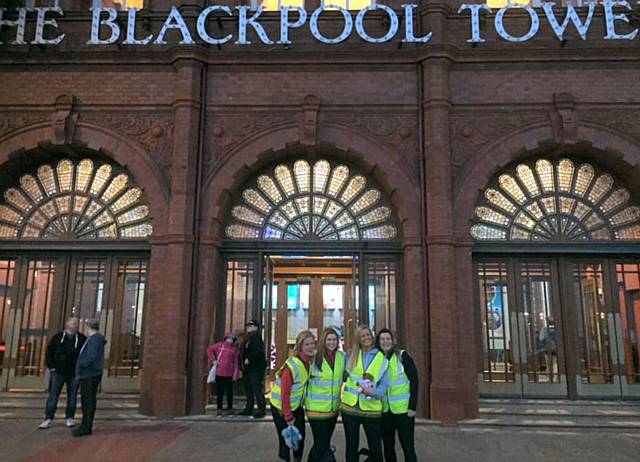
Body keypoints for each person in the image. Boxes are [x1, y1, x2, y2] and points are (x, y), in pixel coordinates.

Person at [341, 325, 388, 462]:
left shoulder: (381, 358)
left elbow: (384, 385)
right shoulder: (351, 356)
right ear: (358, 339)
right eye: (363, 336)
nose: (366, 338)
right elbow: (343, 377)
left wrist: (373, 392)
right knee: (351, 447)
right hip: (349, 409)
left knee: (376, 450)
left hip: (371, 410)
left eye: (368, 335)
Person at [270, 330, 316, 462]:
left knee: (299, 438)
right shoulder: (292, 365)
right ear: (300, 346)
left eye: (312, 343)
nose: (310, 346)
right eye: (307, 344)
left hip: (296, 406)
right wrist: (288, 416)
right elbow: (285, 393)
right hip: (280, 407)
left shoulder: (309, 363)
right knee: (285, 440)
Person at [376, 329, 419, 462]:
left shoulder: (402, 356)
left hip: (404, 412)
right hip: (385, 411)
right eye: (382, 339)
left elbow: (414, 381)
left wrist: (412, 407)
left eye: (388, 339)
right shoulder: (376, 359)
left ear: (393, 341)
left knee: (408, 447)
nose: (385, 342)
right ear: (378, 342)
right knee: (388, 447)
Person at [38, 317, 86, 429]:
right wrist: (52, 367)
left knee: (72, 396)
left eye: (76, 324)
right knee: (53, 395)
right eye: (73, 323)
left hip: (74, 372)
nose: (75, 326)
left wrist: (80, 368)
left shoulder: (81, 338)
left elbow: (84, 353)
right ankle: (48, 418)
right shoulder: (58, 338)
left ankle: (70, 417)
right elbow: (49, 351)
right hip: (58, 372)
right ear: (67, 325)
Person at [305, 328, 345, 462]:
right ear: (323, 341)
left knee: (324, 443)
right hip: (316, 410)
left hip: (333, 410)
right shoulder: (314, 357)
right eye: (329, 339)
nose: (332, 342)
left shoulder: (341, 357)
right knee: (321, 444)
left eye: (334, 339)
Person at [72, 318, 106, 437]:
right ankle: (85, 425)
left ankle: (86, 426)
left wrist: (82, 364)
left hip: (89, 374)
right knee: (88, 400)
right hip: (91, 374)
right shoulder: (94, 340)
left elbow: (91, 356)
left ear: (89, 327)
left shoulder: (94, 340)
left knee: (87, 401)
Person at [207, 331, 242, 416]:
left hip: (229, 374)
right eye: (228, 338)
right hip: (220, 372)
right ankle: (219, 409)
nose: (229, 340)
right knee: (220, 392)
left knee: (229, 392)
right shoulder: (220, 346)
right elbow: (209, 350)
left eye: (231, 339)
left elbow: (236, 363)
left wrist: (235, 374)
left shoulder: (234, 350)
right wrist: (213, 360)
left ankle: (229, 408)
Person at [239, 319, 267, 418]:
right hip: (248, 369)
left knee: (256, 389)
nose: (248, 328)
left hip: (255, 368)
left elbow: (258, 352)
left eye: (251, 326)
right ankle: (249, 407)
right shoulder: (249, 338)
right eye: (248, 326)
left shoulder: (255, 337)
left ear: (256, 327)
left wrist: (249, 358)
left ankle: (261, 409)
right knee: (249, 388)